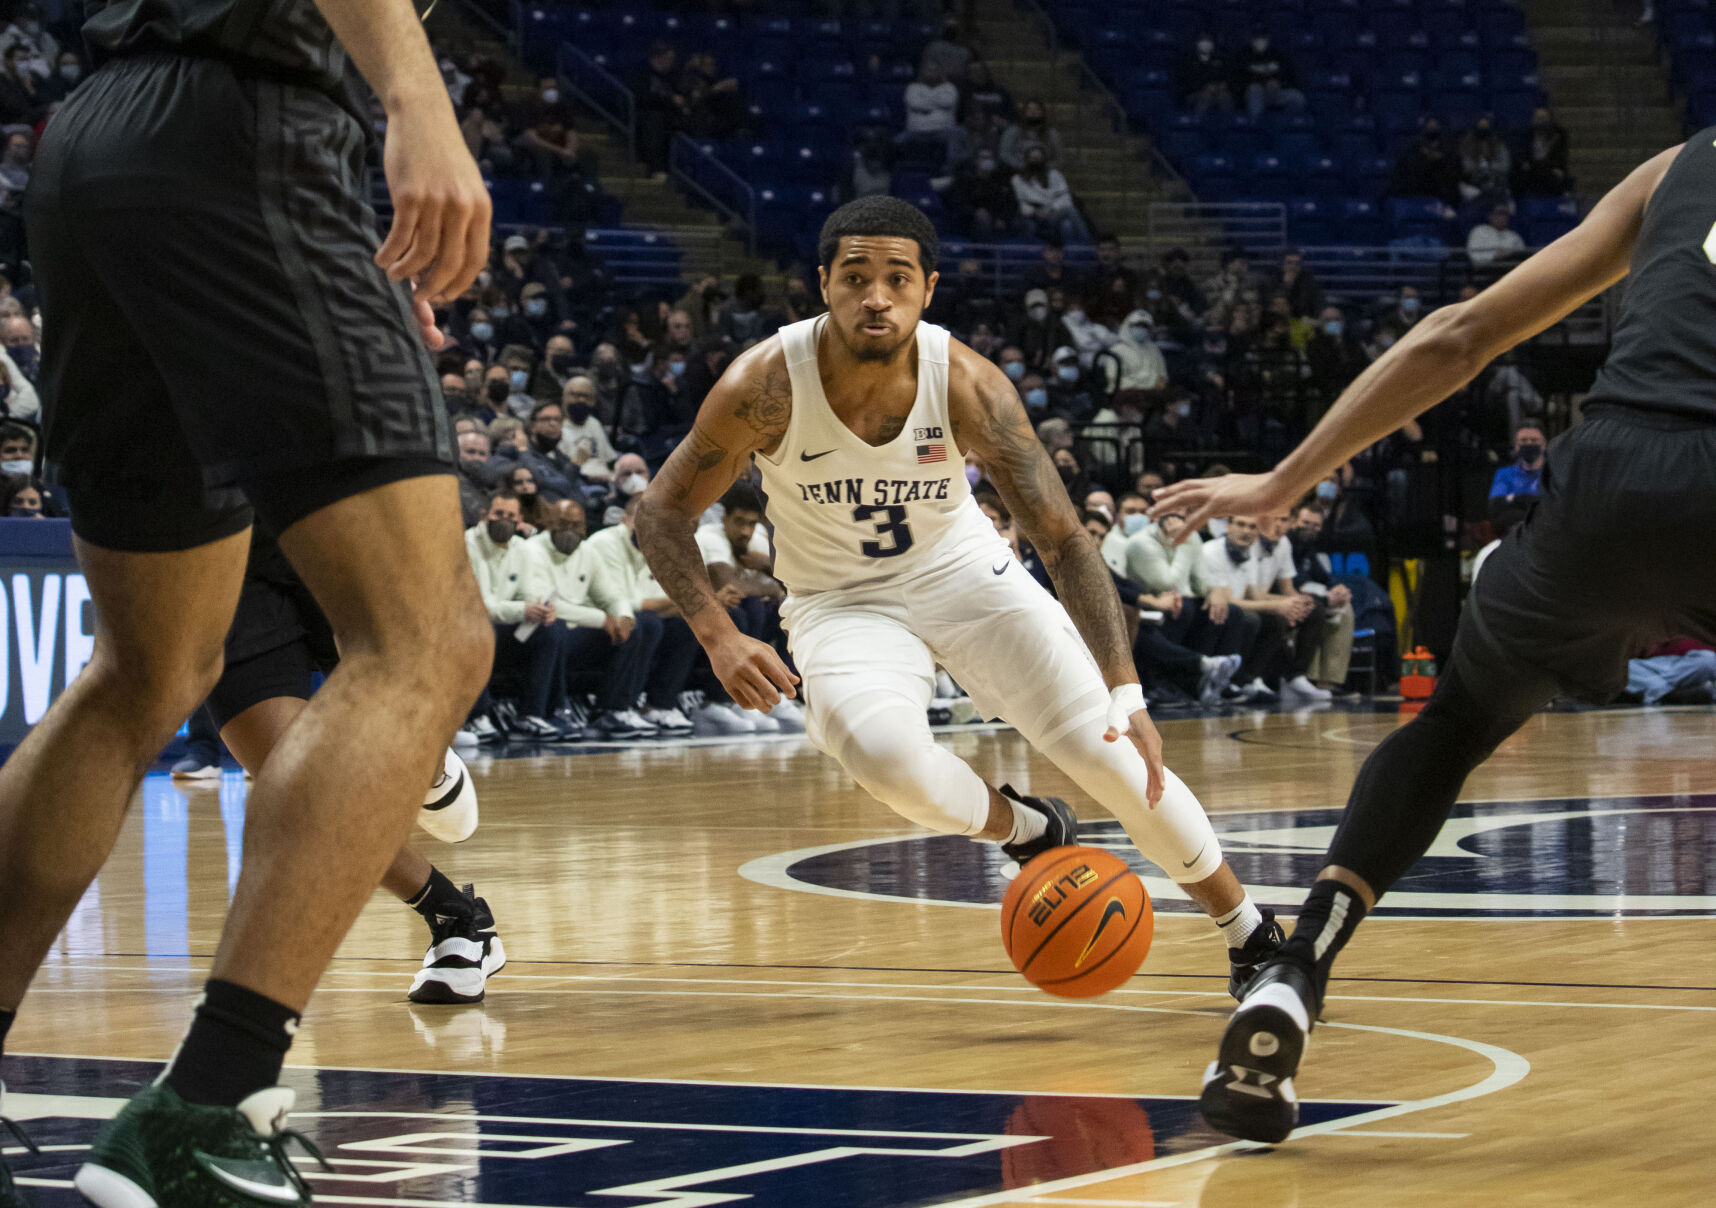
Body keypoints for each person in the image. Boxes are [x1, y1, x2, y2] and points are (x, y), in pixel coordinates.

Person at [4, 0, 496, 1192]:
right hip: (250, 129)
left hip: (98, 145)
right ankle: (209, 1100)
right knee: (427, 639)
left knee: (148, 672)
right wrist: (417, 103)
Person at [1152, 130, 1716, 1145]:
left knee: (1457, 721)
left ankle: (1295, 966)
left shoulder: (1681, 163)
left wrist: (1284, 480)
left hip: (1614, 475)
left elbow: (1461, 336)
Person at [635, 196, 1286, 1008]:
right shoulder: (764, 384)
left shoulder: (968, 383)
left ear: (928, 288)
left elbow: (1063, 538)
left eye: (896, 278)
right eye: (856, 277)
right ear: (824, 285)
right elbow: (660, 512)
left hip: (963, 573)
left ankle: (1251, 933)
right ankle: (1028, 829)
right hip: (841, 603)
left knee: (1120, 755)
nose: (877, 295)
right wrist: (717, 634)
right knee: (885, 760)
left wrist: (1127, 688)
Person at [198, 528, 503, 1004]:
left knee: (395, 694)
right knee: (296, 792)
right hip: (222, 548)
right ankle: (456, 917)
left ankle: (425, 755)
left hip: (326, 504)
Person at [467, 489, 570, 741]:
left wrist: (541, 608)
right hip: (470, 630)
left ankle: (531, 715)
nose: (504, 519)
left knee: (550, 629)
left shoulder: (521, 548)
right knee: (480, 627)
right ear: (484, 516)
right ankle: (476, 717)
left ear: (519, 520)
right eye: (498, 513)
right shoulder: (469, 543)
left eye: (510, 515)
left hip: (504, 628)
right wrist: (523, 610)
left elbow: (528, 592)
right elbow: (481, 606)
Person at [1012, 144, 1087, 245]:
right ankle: (1088, 243)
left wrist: (1050, 208)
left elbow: (1065, 198)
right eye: (1033, 158)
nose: (1036, 161)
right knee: (1070, 211)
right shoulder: (1018, 179)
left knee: (1067, 225)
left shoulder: (1054, 174)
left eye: (1038, 158)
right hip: (1033, 216)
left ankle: (1073, 251)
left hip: (1053, 213)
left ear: (1043, 159)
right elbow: (1021, 202)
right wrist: (1035, 211)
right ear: (1027, 159)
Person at [1236, 29, 1304, 118]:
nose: (1260, 41)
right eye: (1256, 38)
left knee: (1297, 97)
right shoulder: (1243, 55)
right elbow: (1239, 79)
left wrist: (1279, 83)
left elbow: (1289, 76)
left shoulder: (1278, 55)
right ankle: (1257, 124)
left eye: (1263, 38)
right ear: (1251, 40)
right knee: (1254, 89)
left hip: (1277, 92)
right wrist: (1263, 83)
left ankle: (1287, 123)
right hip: (1254, 93)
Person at [1176, 31, 1233, 114]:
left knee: (1225, 96)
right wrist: (1205, 87)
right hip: (1194, 94)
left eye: (1208, 40)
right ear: (1197, 43)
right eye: (1203, 40)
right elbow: (1185, 82)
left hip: (1218, 92)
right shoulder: (1188, 60)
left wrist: (1223, 85)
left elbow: (1228, 77)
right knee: (1206, 95)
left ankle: (1228, 123)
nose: (1206, 43)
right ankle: (1197, 122)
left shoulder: (1221, 59)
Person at [1467, 202, 1527, 267]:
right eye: (1500, 213)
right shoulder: (1479, 231)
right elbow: (1474, 257)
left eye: (1506, 214)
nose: (1503, 217)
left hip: (1509, 271)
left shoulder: (1514, 236)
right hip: (1485, 272)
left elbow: (1522, 258)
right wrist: (1496, 257)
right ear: (1490, 215)